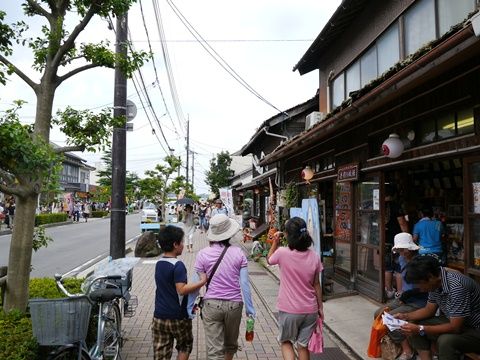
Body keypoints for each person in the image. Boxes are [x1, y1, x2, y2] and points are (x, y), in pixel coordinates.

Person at [193, 214, 255, 360]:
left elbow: (196, 284)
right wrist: (250, 309)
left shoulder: (202, 254)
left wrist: (190, 307)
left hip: (211, 305)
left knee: (215, 352)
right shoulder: (239, 253)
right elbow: (245, 284)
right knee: (230, 345)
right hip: (235, 305)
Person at [396, 255, 480, 360]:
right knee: (412, 325)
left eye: (419, 284)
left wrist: (420, 329)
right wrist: (405, 316)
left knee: (446, 341)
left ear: (430, 277)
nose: (419, 288)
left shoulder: (456, 286)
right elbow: (429, 310)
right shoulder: (435, 282)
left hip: (474, 328)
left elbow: (455, 328)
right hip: (456, 321)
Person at [267, 217, 323, 360]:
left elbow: (269, 259)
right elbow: (317, 284)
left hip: (289, 309)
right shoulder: (315, 257)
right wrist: (320, 308)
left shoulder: (282, 253)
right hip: (310, 310)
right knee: (302, 346)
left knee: (286, 341)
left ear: (288, 235)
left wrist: (275, 242)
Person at [152, 225, 207, 360]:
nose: (183, 245)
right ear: (175, 244)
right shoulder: (178, 265)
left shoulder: (159, 263)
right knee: (185, 345)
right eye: (182, 242)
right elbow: (181, 290)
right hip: (178, 316)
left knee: (161, 350)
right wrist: (202, 281)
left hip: (159, 315)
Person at [373, 233, 428, 360]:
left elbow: (425, 287)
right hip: (404, 298)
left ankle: (407, 351)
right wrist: (400, 293)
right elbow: (400, 276)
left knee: (389, 318)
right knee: (378, 313)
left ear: (410, 248)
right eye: (398, 249)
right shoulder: (402, 259)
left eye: (402, 249)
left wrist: (407, 295)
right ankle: (400, 344)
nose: (400, 252)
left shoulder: (420, 262)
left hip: (418, 302)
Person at [385, 185, 409, 299]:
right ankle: (399, 292)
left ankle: (388, 291)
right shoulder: (396, 206)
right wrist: (407, 237)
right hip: (397, 241)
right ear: (394, 194)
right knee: (399, 267)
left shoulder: (380, 205)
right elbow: (402, 223)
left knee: (388, 267)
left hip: (384, 241)